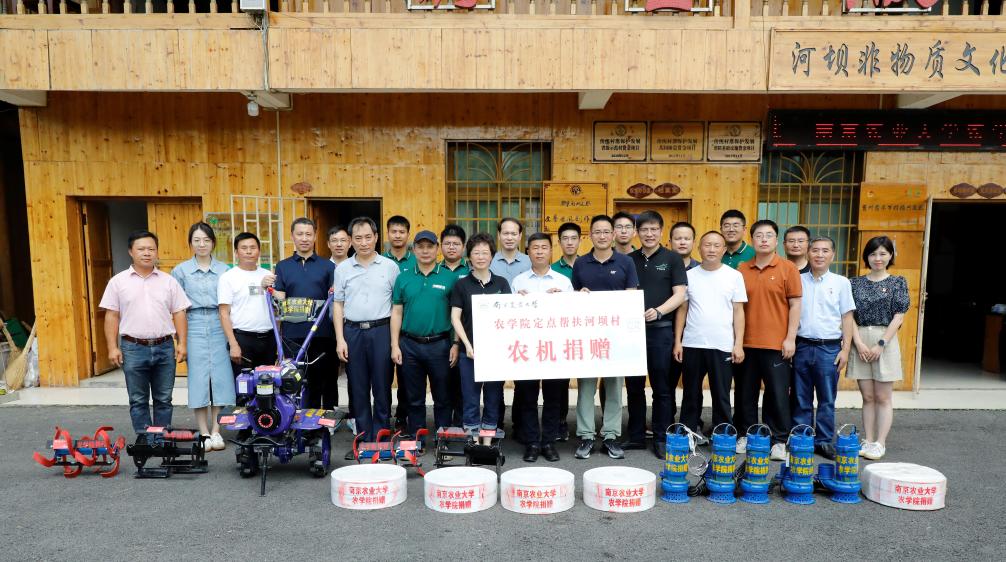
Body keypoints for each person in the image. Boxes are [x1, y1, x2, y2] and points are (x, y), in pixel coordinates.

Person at [100, 230, 190, 436]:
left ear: (157, 252)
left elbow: (179, 313)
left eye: (151, 249)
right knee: (138, 399)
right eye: (141, 249)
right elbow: (111, 315)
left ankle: (161, 439)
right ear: (131, 252)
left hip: (164, 346)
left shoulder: (168, 281)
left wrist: (182, 343)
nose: (147, 253)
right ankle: (146, 441)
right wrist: (112, 347)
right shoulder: (118, 282)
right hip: (133, 347)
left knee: (164, 398)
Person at [571, 215, 639, 460]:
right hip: (587, 337)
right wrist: (580, 294)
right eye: (597, 231)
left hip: (616, 337)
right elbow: (573, 296)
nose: (602, 235)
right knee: (586, 389)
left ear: (613, 235)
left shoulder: (625, 262)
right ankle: (586, 436)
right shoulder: (580, 263)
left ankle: (610, 435)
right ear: (591, 235)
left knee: (614, 389)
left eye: (606, 232)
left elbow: (631, 295)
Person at [735, 219, 802, 460]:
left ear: (776, 241)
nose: (764, 239)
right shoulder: (742, 269)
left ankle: (779, 440)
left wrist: (790, 338)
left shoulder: (787, 268)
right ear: (752, 240)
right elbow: (737, 308)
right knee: (745, 393)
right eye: (759, 235)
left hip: (776, 343)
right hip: (746, 343)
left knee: (776, 394)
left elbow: (795, 305)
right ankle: (747, 434)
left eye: (769, 235)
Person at [673, 231, 746, 439]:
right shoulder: (688, 275)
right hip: (693, 343)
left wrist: (738, 343)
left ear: (724, 249)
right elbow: (682, 309)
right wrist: (678, 341)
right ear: (699, 248)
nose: (712, 249)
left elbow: (739, 311)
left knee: (721, 394)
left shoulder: (734, 276)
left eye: (716, 246)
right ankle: (687, 433)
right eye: (707, 245)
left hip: (722, 344)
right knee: (690, 394)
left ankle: (723, 434)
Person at [334, 217, 400, 444]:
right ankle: (363, 437)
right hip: (353, 332)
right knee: (358, 387)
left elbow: (396, 306)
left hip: (381, 330)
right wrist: (340, 339)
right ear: (351, 241)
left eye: (368, 237)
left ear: (376, 238)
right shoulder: (342, 269)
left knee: (382, 386)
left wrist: (394, 343)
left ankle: (381, 437)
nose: (364, 243)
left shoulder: (390, 267)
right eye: (358, 238)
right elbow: (338, 304)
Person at [628, 211, 688, 458]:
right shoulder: (628, 259)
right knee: (634, 387)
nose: (649, 234)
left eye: (654, 229)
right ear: (637, 233)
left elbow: (680, 294)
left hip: (661, 333)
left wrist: (659, 311)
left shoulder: (673, 259)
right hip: (632, 333)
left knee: (662, 389)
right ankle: (635, 437)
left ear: (661, 232)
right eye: (644, 230)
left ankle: (661, 439)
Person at [511, 233, 573, 462]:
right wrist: (516, 301)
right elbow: (506, 316)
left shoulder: (563, 281)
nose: (539, 251)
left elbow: (574, 315)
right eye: (534, 247)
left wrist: (564, 299)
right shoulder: (518, 281)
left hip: (554, 348)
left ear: (550, 251)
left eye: (543, 247)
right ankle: (531, 442)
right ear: (527, 251)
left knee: (553, 397)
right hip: (526, 348)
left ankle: (548, 441)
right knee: (527, 396)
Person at [391, 230, 459, 441]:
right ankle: (416, 439)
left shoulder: (450, 278)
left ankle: (443, 440)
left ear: (437, 249)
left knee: (442, 397)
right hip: (409, 344)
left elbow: (457, 314)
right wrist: (395, 345)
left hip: (440, 345)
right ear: (414, 250)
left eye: (430, 246)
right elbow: (397, 312)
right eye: (420, 247)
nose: (425, 251)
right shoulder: (403, 277)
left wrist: (455, 343)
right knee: (414, 397)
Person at [170, 223, 232, 451]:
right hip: (193, 322)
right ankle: (203, 432)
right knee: (198, 378)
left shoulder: (225, 270)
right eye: (197, 240)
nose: (202, 244)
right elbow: (176, 307)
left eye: (206, 240)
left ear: (213, 242)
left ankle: (217, 431)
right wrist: (180, 340)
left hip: (219, 322)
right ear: (190, 243)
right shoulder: (180, 271)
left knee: (221, 378)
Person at [847, 236, 909, 461]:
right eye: (873, 254)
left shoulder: (897, 282)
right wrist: (859, 343)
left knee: (883, 396)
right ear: (867, 257)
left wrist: (881, 343)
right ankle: (868, 439)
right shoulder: (854, 283)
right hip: (860, 336)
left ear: (890, 255)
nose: (878, 258)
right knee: (868, 396)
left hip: (886, 338)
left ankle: (880, 442)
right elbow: (849, 316)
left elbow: (899, 315)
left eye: (883, 253)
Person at [265, 217, 338, 411]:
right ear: (292, 237)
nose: (304, 238)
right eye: (300, 234)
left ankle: (316, 424)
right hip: (292, 334)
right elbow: (279, 298)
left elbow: (334, 299)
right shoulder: (283, 266)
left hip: (321, 334)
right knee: (294, 379)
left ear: (315, 236)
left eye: (308, 234)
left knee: (319, 380)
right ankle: (295, 420)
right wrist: (268, 288)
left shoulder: (328, 266)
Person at [793, 237, 855, 460]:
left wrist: (845, 349)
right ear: (808, 254)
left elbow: (847, 316)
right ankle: (802, 437)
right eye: (815, 250)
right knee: (801, 396)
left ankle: (824, 440)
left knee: (827, 398)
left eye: (825, 251)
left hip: (829, 348)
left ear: (832, 255)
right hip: (801, 345)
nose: (819, 255)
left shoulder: (841, 283)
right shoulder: (797, 280)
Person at [450, 233, 511, 444]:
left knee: (493, 398)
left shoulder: (502, 284)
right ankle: (473, 439)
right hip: (470, 352)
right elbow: (455, 318)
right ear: (469, 256)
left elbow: (509, 317)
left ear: (492, 256)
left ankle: (488, 439)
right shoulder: (462, 285)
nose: (481, 256)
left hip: (495, 354)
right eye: (476, 252)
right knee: (471, 398)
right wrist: (466, 345)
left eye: (485, 252)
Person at [218, 232, 276, 383]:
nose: (249, 251)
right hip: (243, 340)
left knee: (268, 387)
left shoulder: (268, 275)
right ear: (236, 253)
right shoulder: (228, 277)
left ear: (259, 251)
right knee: (245, 390)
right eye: (244, 248)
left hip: (268, 339)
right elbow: (224, 314)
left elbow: (277, 308)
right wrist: (233, 344)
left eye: (253, 247)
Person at [491, 217, 530, 437]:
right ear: (499, 235)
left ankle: (520, 424)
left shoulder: (528, 261)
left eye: (513, 233)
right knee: (495, 381)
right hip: (495, 330)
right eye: (505, 233)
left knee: (523, 383)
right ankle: (496, 423)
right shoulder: (488, 259)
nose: (509, 237)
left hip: (523, 330)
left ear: (520, 236)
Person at [384, 215, 416, 429]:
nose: (397, 235)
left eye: (401, 231)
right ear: (387, 234)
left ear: (407, 234)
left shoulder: (417, 261)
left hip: (407, 328)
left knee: (406, 377)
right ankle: (383, 417)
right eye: (393, 231)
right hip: (381, 326)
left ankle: (403, 416)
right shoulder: (380, 261)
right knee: (383, 376)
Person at [551, 221, 581, 440]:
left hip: (583, 329)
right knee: (559, 381)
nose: (569, 242)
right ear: (559, 242)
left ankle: (585, 426)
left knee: (587, 381)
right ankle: (560, 421)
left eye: (574, 238)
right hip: (559, 332)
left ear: (580, 240)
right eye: (565, 239)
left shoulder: (587, 265)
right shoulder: (552, 270)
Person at [440, 224, 469, 426]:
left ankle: (460, 427)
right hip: (439, 338)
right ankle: (442, 428)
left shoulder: (472, 270)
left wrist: (458, 342)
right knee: (442, 387)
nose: (451, 247)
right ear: (440, 246)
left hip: (464, 340)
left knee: (462, 387)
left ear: (464, 246)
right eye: (447, 243)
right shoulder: (434, 269)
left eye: (456, 244)